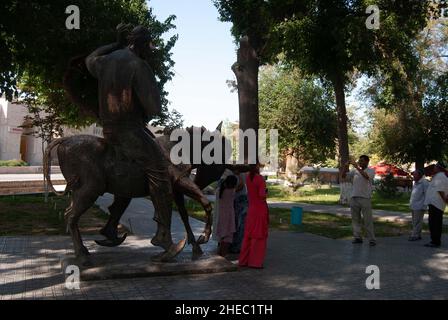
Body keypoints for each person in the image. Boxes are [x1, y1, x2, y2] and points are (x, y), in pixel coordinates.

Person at [85, 24, 175, 254]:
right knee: (161, 173)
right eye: (149, 46)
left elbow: (90, 58)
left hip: (109, 129)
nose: (150, 51)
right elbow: (154, 107)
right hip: (130, 131)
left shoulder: (106, 61)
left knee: (129, 176)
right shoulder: (138, 65)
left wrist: (115, 43)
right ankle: (163, 236)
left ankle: (110, 226)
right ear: (142, 44)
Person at [239, 164, 269, 269]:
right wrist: (266, 192)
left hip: (251, 210)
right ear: (257, 167)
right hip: (260, 210)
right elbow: (262, 196)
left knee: (248, 236)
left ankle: (243, 260)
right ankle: (255, 262)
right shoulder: (260, 179)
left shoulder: (248, 178)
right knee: (258, 237)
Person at [342, 155, 377, 246]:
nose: (360, 162)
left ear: (367, 162)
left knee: (367, 220)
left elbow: (366, 177)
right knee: (355, 219)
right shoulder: (354, 171)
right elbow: (343, 176)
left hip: (365, 198)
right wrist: (346, 166)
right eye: (359, 160)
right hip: (354, 197)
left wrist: (356, 166)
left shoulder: (371, 170)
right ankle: (357, 237)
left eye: (362, 161)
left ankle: (372, 239)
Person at [424, 161, 448, 248]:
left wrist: (445, 199)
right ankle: (435, 240)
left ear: (438, 167)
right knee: (435, 223)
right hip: (435, 203)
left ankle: (435, 241)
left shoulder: (440, 176)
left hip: (436, 203)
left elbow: (440, 190)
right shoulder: (440, 176)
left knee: (434, 223)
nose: (434, 168)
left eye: (435, 166)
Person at [216, 175, 238, 257]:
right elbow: (240, 187)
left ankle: (219, 253)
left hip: (221, 215)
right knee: (228, 237)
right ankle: (223, 254)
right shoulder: (232, 191)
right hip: (229, 215)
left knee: (222, 235)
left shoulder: (220, 191)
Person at [230, 170, 248, 254]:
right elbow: (241, 185)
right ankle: (236, 246)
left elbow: (241, 185)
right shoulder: (239, 173)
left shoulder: (241, 172)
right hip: (239, 199)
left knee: (238, 223)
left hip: (240, 198)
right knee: (238, 223)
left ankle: (236, 245)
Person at [408, 169, 429, 241]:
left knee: (417, 221)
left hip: (420, 205)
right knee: (415, 221)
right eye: (413, 174)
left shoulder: (424, 182)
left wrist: (425, 205)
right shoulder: (416, 182)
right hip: (414, 205)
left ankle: (415, 235)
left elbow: (427, 194)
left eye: (415, 174)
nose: (413, 175)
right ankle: (418, 234)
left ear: (420, 175)